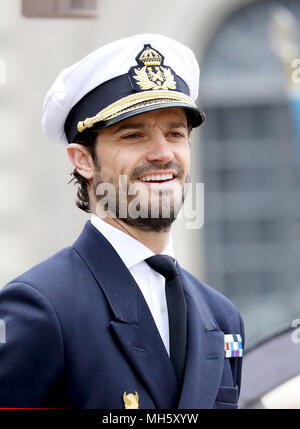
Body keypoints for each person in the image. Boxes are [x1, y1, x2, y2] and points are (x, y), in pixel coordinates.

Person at [0, 34, 244, 409]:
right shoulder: (40, 308)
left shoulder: (223, 317)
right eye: (133, 135)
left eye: (175, 133)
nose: (163, 153)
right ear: (82, 160)